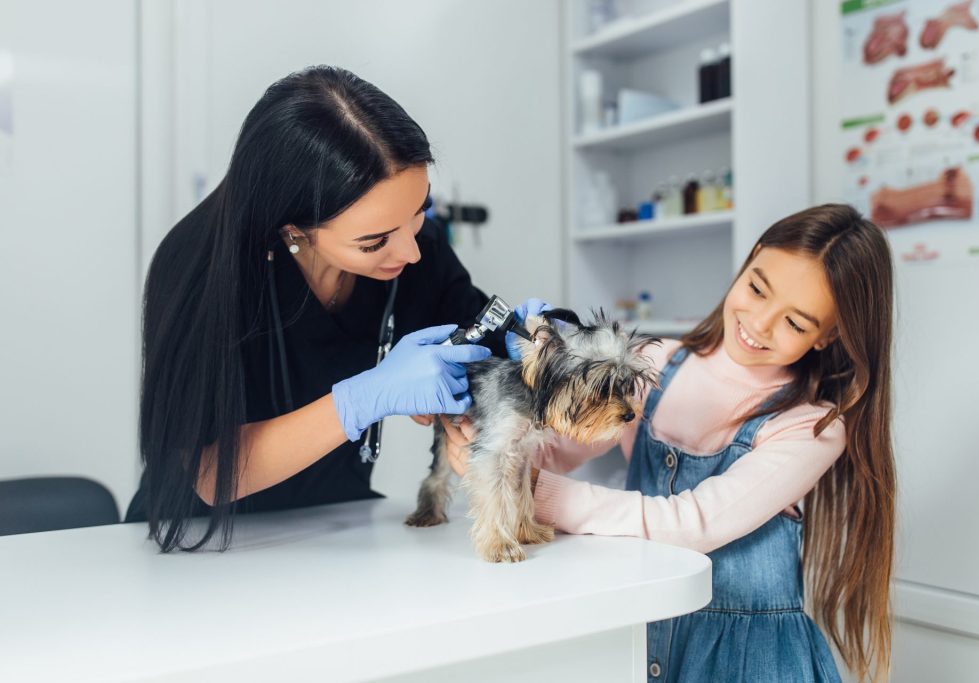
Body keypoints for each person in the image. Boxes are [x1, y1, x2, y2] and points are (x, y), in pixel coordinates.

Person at [443, 204, 895, 682]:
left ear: (830, 336)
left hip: (745, 661)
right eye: (758, 288)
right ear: (752, 256)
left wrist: (530, 488)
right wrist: (489, 436)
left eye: (796, 323)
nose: (760, 323)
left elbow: (691, 523)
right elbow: (555, 446)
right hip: (642, 635)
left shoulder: (811, 425)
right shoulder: (655, 363)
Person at [126, 66, 531, 552]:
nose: (411, 252)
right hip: (203, 543)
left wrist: (534, 344)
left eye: (420, 209)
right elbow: (208, 473)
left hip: (339, 528)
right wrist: (364, 398)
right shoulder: (198, 270)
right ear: (293, 229)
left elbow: (479, 336)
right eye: (375, 240)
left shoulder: (412, 246)